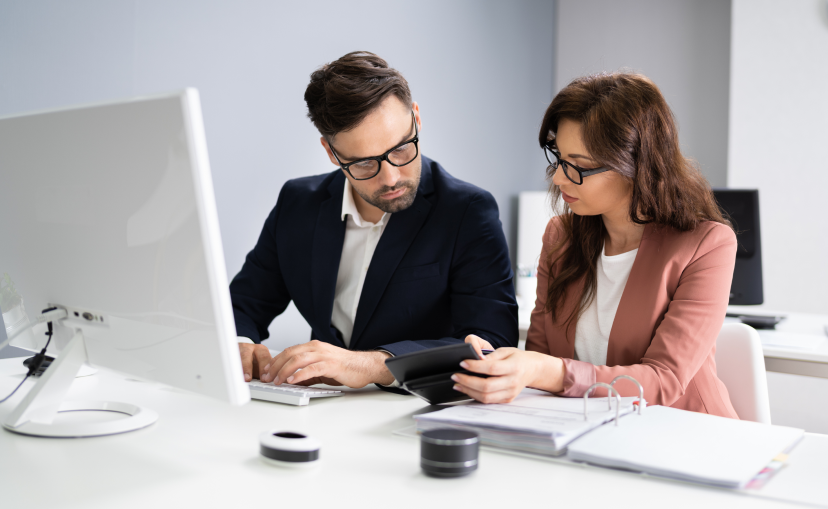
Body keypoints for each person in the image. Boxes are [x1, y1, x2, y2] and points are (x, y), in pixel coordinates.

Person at [454, 72, 739, 418]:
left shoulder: (707, 245)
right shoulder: (560, 238)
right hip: (586, 432)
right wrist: (502, 366)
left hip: (685, 436)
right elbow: (541, 360)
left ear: (637, 165)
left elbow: (664, 381)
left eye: (580, 167)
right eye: (559, 158)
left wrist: (545, 371)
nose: (559, 178)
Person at [230, 51, 517, 389]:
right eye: (365, 163)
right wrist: (239, 344)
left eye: (401, 149)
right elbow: (241, 305)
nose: (392, 177)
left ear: (417, 119)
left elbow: (492, 342)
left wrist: (369, 365)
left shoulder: (467, 211)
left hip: (412, 413)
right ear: (330, 152)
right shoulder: (298, 203)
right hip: (316, 409)